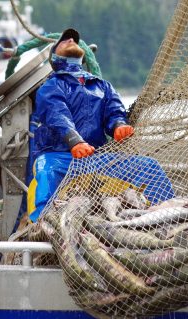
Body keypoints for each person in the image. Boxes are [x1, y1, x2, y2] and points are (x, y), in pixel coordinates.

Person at [27, 28, 134, 222]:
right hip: (58, 157)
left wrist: (119, 125)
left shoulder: (103, 86)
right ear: (54, 57)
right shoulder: (51, 86)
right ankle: (42, 225)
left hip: (97, 159)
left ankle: (168, 217)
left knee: (147, 166)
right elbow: (58, 115)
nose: (70, 39)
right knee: (46, 171)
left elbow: (114, 110)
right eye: (64, 40)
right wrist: (74, 142)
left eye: (74, 39)